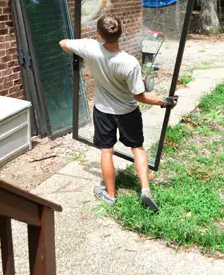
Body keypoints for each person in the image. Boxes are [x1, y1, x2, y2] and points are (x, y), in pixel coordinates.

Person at [59, 15, 178, 212]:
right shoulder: (130, 63)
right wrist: (162, 101)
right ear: (120, 34)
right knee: (137, 148)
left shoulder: (90, 47)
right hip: (127, 112)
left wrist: (79, 52)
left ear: (100, 34)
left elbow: (63, 43)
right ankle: (145, 190)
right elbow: (139, 96)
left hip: (103, 111)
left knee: (107, 150)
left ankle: (111, 195)